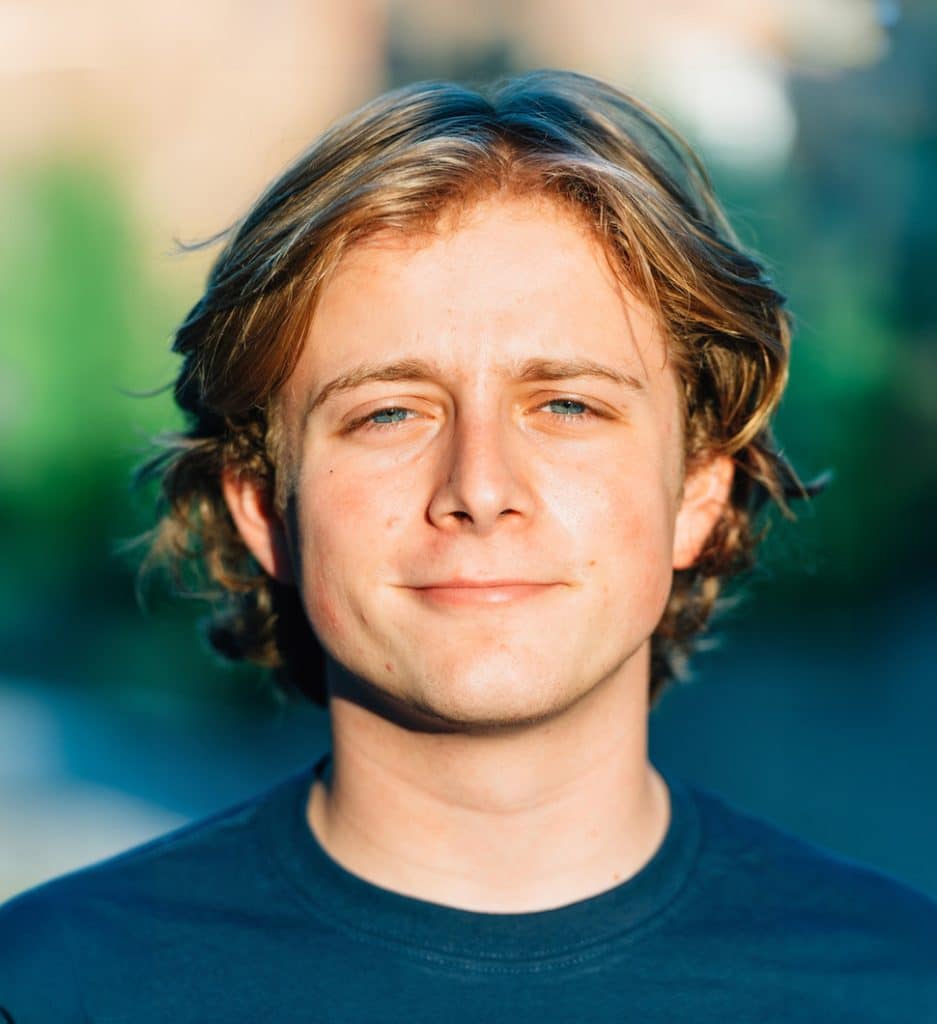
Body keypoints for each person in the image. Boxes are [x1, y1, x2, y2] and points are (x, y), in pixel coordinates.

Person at [1, 69, 934, 1022]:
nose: (479, 489)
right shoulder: (50, 988)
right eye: (389, 413)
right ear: (260, 506)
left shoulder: (899, 988)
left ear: (699, 491)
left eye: (567, 405)